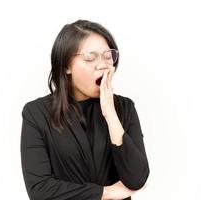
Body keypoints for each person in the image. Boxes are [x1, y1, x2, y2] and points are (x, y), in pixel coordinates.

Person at [20, 19, 150, 200]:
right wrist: (106, 193)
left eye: (108, 56)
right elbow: (40, 189)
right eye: (90, 57)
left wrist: (110, 114)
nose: (103, 65)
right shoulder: (36, 113)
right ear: (66, 65)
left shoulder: (125, 108)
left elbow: (137, 179)